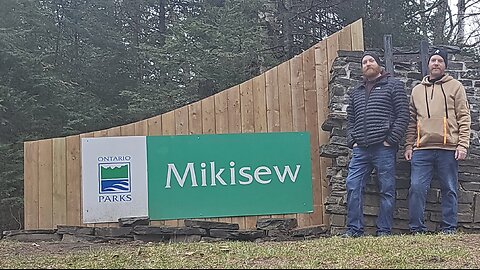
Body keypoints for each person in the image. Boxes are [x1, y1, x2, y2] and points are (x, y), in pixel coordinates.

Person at [404, 48, 471, 234]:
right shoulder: (416, 91)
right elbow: (411, 121)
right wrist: (409, 145)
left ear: (445, 65)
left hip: (449, 148)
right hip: (422, 149)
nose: (436, 63)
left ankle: (449, 227)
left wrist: (463, 144)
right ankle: (416, 228)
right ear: (428, 64)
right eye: (433, 60)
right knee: (416, 188)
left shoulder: (456, 87)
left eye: (440, 61)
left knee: (449, 188)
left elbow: (464, 117)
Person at [343, 52, 409, 237]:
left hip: (384, 148)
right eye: (364, 62)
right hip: (361, 150)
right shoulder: (357, 91)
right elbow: (350, 119)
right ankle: (354, 229)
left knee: (387, 189)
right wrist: (352, 141)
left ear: (379, 65)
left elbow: (403, 115)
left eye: (371, 61)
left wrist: (391, 139)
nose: (367, 64)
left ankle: (384, 230)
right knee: (352, 185)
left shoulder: (394, 85)